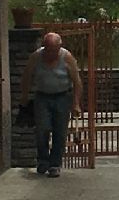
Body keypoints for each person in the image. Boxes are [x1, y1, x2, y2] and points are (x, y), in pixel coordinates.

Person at [21, 32, 82, 177]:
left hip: (62, 96)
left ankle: (54, 164)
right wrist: (24, 96)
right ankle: (43, 160)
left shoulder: (67, 57)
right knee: (42, 129)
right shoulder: (36, 57)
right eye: (47, 49)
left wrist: (76, 103)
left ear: (59, 47)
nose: (50, 53)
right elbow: (27, 77)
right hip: (42, 96)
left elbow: (77, 82)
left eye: (53, 49)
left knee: (60, 131)